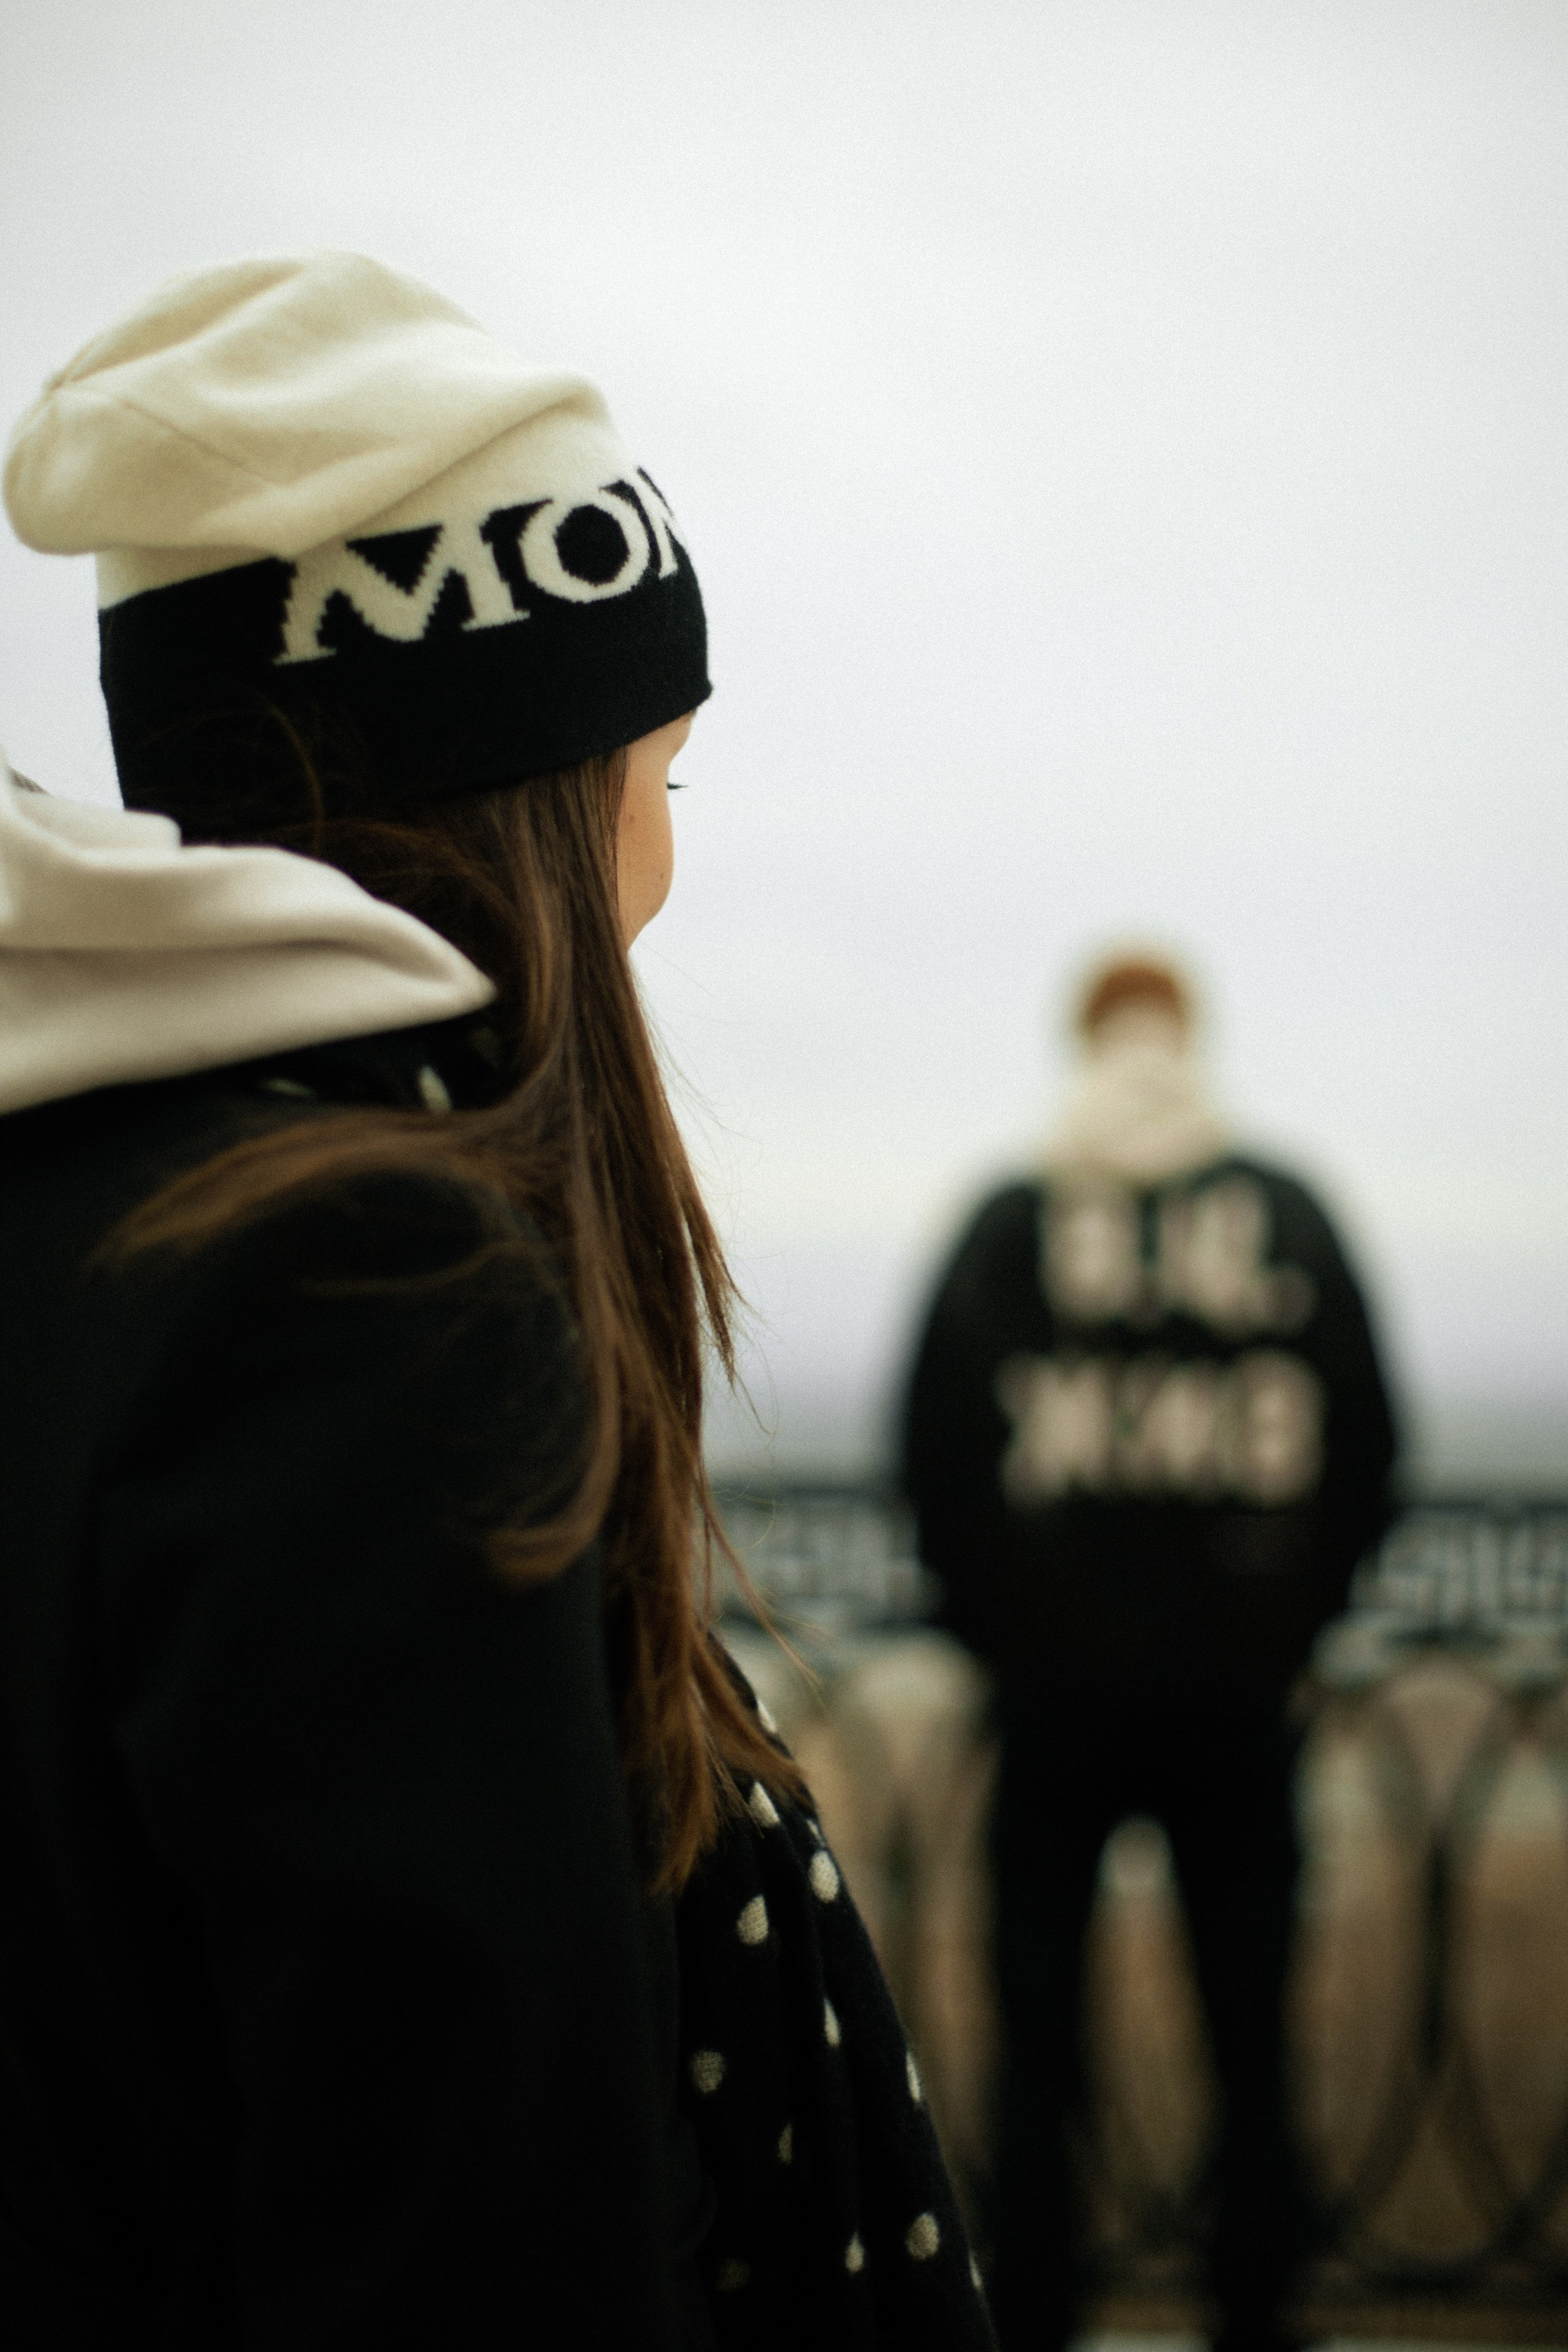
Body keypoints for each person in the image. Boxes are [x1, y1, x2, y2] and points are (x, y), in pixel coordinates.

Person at [0, 253, 993, 2351]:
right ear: (530, 786)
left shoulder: (89, 1201)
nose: (664, 859)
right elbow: (478, 2235)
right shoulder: (361, 1298)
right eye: (661, 772)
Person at [899, 953, 1398, 2352]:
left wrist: (1000, 1634)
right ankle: (1255, 2312)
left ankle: (1035, 2313)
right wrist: (1291, 1627)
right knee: (1250, 2040)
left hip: (1053, 1713)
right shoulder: (1288, 1213)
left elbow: (935, 1451)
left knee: (1037, 2046)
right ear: (1190, 1035)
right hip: (1239, 1710)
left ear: (1081, 1039)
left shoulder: (1012, 1221)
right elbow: (1367, 1444)